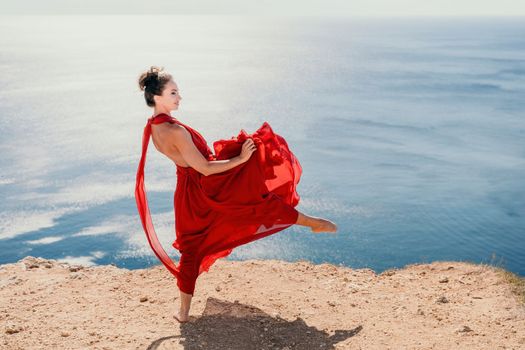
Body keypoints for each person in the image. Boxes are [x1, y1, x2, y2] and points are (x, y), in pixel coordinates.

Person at [135, 66, 337, 323]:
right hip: (206, 187)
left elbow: (193, 163)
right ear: (157, 97)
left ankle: (183, 313)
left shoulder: (154, 127)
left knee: (192, 248)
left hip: (187, 193)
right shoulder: (175, 131)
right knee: (257, 197)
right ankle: (314, 223)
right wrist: (240, 159)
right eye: (173, 92)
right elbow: (206, 168)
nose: (179, 97)